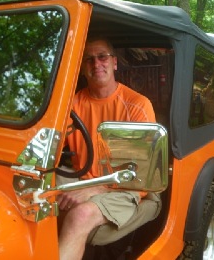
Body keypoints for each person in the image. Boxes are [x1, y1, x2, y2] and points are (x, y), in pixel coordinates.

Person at [57, 37, 157, 260]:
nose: (96, 64)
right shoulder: (71, 104)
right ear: (83, 68)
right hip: (81, 179)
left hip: (124, 188)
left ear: (114, 63)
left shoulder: (137, 105)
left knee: (79, 215)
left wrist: (93, 190)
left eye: (102, 57)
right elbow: (51, 147)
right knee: (30, 198)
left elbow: (141, 177)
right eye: (89, 59)